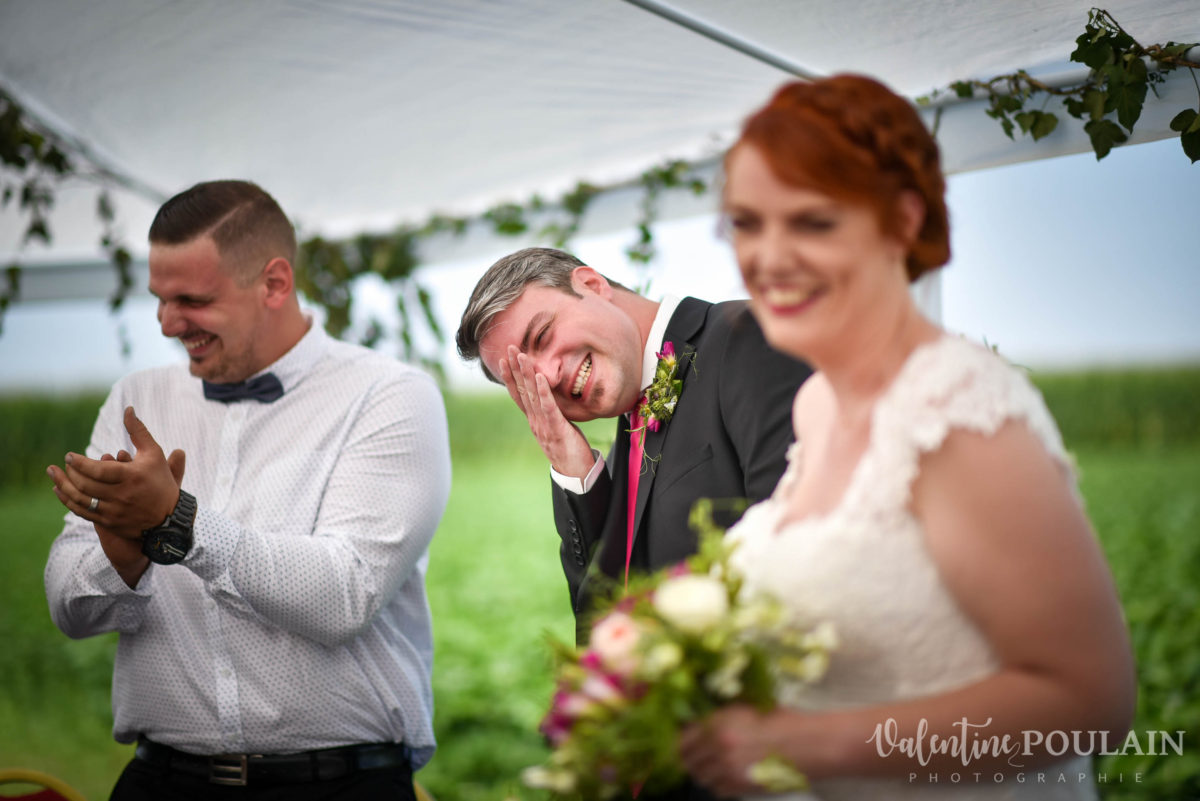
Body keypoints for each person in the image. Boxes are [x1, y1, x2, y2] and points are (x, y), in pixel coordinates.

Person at [677, 75, 1136, 799]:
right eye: (746, 222)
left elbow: (1089, 704)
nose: (768, 256)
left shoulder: (955, 409)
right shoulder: (818, 405)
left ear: (900, 219)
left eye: (813, 221)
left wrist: (811, 745)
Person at [44, 180, 451, 800]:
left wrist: (176, 523)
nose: (167, 324)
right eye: (159, 300)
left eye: (193, 300)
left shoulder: (389, 395)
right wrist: (123, 558)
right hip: (161, 783)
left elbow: (343, 595)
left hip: (340, 786)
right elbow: (69, 610)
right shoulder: (137, 400)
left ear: (275, 283)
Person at [456, 247, 811, 645]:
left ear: (592, 285)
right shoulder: (626, 438)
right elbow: (602, 634)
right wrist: (575, 473)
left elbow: (801, 554)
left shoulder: (748, 336)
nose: (551, 376)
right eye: (526, 378)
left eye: (542, 336)